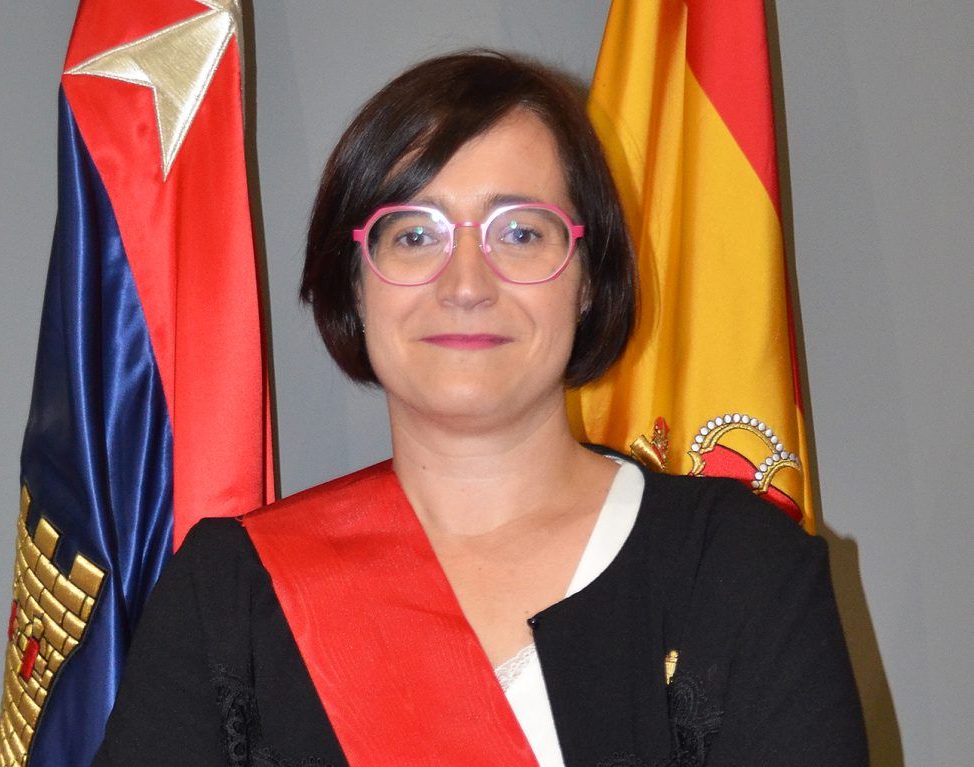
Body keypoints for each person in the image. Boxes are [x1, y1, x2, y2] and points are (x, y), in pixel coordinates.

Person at [92, 51, 867, 766]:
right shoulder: (229, 593)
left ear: (589, 278)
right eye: (413, 235)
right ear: (353, 284)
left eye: (520, 233)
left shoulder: (738, 567)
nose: (466, 283)